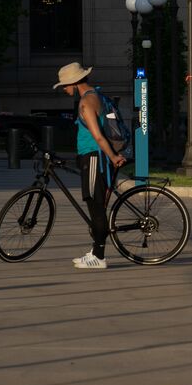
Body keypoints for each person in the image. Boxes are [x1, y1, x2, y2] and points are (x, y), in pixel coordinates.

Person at [53, 62, 128, 270]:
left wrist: (112, 157)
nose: (65, 89)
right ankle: (95, 251)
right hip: (96, 157)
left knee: (95, 206)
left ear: (74, 83)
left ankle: (100, 256)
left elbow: (97, 136)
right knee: (96, 205)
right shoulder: (97, 95)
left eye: (65, 85)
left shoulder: (86, 103)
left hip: (95, 157)